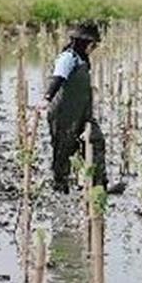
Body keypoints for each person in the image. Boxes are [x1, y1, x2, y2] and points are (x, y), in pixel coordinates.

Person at [43, 21, 115, 194]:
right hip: (64, 114)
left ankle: (98, 186)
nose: (94, 48)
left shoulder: (82, 60)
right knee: (63, 150)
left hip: (83, 114)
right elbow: (58, 78)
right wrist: (46, 98)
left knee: (96, 141)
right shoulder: (68, 58)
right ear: (86, 44)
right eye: (94, 45)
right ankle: (60, 188)